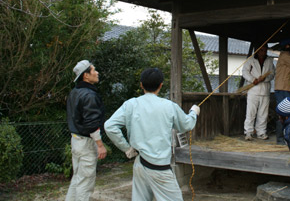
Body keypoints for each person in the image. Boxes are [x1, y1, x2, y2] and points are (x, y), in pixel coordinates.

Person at [104, 68, 200, 201]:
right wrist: (194, 113)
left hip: (140, 164)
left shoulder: (131, 104)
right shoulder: (169, 106)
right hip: (160, 167)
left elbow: (109, 126)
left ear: (141, 85)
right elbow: (186, 125)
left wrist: (126, 148)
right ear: (161, 85)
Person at [66, 60, 107, 201]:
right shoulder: (89, 95)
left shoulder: (75, 92)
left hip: (76, 140)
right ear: (86, 76)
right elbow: (91, 124)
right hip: (86, 143)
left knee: (77, 179)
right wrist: (100, 145)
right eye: (93, 70)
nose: (97, 72)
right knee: (85, 184)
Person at [242, 44, 275, 141]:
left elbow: (272, 74)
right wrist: (253, 80)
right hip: (253, 90)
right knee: (251, 112)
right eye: (261, 50)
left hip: (265, 91)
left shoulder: (269, 61)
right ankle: (248, 132)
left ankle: (261, 132)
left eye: (264, 50)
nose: (263, 52)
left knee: (263, 113)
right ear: (257, 50)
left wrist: (265, 78)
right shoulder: (251, 60)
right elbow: (245, 72)